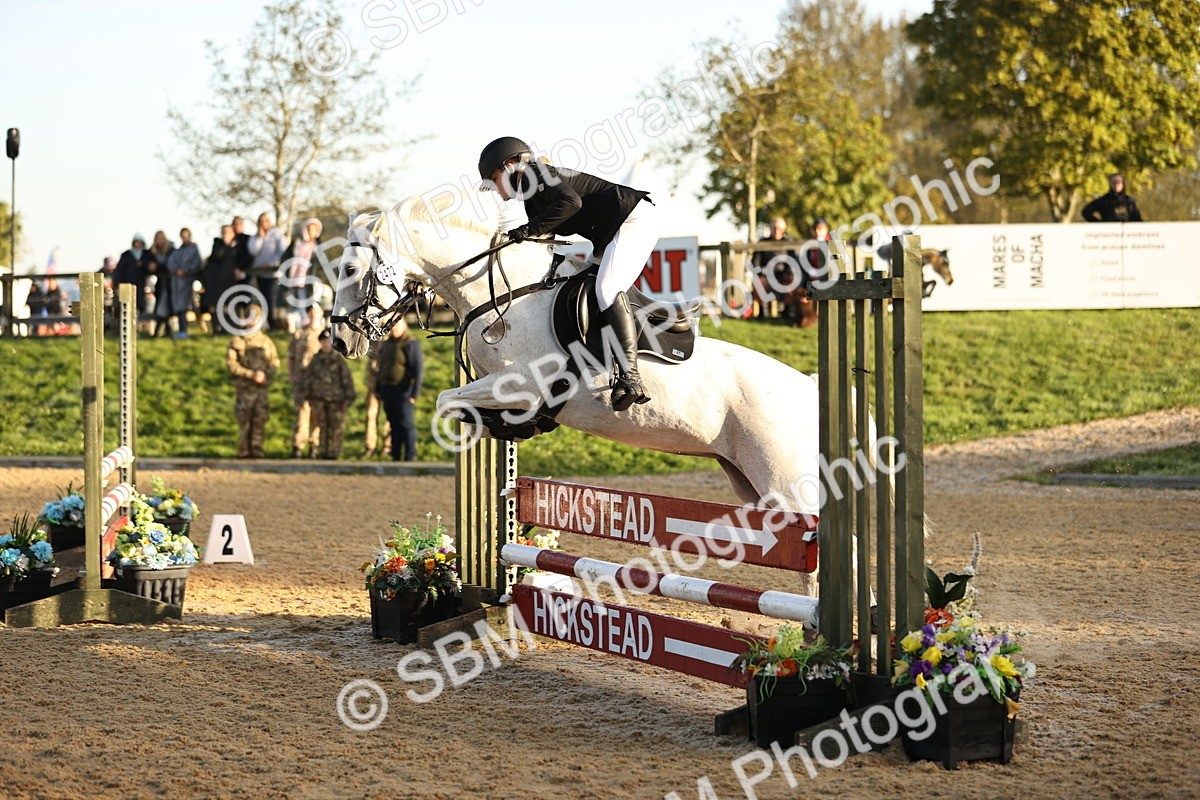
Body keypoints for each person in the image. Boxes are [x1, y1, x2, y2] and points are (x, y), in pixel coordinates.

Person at [478, 136, 655, 411]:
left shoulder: (537, 173)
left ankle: (631, 377)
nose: (496, 191)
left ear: (510, 165)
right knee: (584, 288)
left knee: (606, 289)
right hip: (609, 233)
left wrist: (526, 230)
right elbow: (543, 240)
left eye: (494, 179)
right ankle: (594, 358)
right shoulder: (532, 197)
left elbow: (571, 202)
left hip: (631, 219)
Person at [225, 304, 279, 458]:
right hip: (244, 389)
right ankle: (243, 452)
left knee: (260, 420)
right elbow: (231, 364)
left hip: (261, 390)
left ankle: (257, 451)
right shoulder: (237, 340)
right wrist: (250, 375)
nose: (253, 321)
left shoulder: (266, 341)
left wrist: (265, 374)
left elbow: (274, 361)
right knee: (244, 421)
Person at [302, 329, 356, 459]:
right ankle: (323, 452)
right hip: (319, 400)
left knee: (336, 428)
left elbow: (346, 379)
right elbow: (309, 379)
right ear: (320, 343)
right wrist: (309, 398)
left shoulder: (338, 359)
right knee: (322, 427)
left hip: (336, 401)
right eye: (323, 341)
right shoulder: (315, 360)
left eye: (328, 341)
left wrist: (349, 398)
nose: (326, 344)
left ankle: (335, 453)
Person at [375, 319, 423, 462]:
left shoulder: (410, 343)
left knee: (406, 424)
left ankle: (409, 456)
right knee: (393, 424)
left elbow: (417, 371)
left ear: (403, 326)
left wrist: (414, 394)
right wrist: (378, 389)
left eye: (396, 326)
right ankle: (396, 456)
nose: (393, 329)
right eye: (391, 327)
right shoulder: (386, 344)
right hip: (387, 390)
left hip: (403, 391)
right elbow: (380, 367)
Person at [287, 304, 325, 458]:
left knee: (317, 413)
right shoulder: (299, 333)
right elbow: (291, 357)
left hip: (320, 380)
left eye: (317, 312)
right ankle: (298, 445)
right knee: (302, 413)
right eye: (311, 312)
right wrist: (292, 375)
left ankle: (314, 445)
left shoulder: (327, 333)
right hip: (302, 379)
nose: (314, 314)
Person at [280, 218, 322, 331]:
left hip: (307, 278)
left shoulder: (318, 245)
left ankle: (306, 323)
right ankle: (292, 325)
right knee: (291, 300)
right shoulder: (297, 242)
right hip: (293, 276)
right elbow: (286, 257)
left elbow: (319, 263)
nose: (312, 232)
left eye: (314, 229)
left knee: (305, 301)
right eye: (310, 229)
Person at [752, 217, 798, 319]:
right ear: (771, 229)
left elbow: (793, 263)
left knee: (792, 281)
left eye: (779, 229)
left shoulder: (788, 243)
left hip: (783, 277)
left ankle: (786, 311)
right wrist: (759, 274)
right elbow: (755, 263)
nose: (777, 231)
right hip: (766, 277)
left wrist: (787, 273)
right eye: (775, 228)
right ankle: (763, 311)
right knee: (757, 282)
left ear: (784, 230)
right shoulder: (762, 243)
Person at [248, 212, 287, 330]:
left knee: (271, 299)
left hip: (273, 273)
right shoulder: (255, 237)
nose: (264, 223)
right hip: (260, 273)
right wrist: (260, 237)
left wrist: (272, 264)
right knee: (263, 299)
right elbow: (253, 251)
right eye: (262, 221)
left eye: (266, 220)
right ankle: (269, 324)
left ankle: (274, 325)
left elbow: (283, 251)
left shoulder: (277, 234)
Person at [164, 228, 201, 338]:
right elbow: (170, 263)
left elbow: (197, 264)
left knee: (185, 307)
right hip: (177, 283)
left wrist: (186, 271)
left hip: (188, 282)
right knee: (179, 308)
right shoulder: (178, 251)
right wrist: (177, 270)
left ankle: (184, 330)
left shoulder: (194, 250)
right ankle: (181, 331)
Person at [203, 225, 239, 333]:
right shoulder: (217, 245)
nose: (226, 235)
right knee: (215, 305)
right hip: (215, 281)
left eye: (228, 232)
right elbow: (217, 256)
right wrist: (228, 246)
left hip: (229, 281)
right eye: (224, 232)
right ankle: (216, 328)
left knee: (228, 304)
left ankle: (227, 329)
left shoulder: (238, 246)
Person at [114, 234, 155, 318]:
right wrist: (117, 285)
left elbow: (153, 267)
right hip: (128, 285)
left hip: (143, 286)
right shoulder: (126, 255)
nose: (138, 244)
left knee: (143, 307)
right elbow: (119, 271)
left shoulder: (147, 254)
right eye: (136, 242)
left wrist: (143, 264)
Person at [363, 341, 391, 458]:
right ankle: (370, 446)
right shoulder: (373, 339)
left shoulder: (392, 341)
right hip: (373, 385)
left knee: (388, 417)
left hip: (387, 384)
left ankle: (387, 446)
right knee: (370, 415)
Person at [148, 231, 175, 337]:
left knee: (163, 307)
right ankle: (167, 331)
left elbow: (169, 266)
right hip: (160, 282)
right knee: (162, 307)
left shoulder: (171, 251)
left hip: (169, 282)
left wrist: (158, 267)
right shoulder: (152, 252)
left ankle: (159, 331)